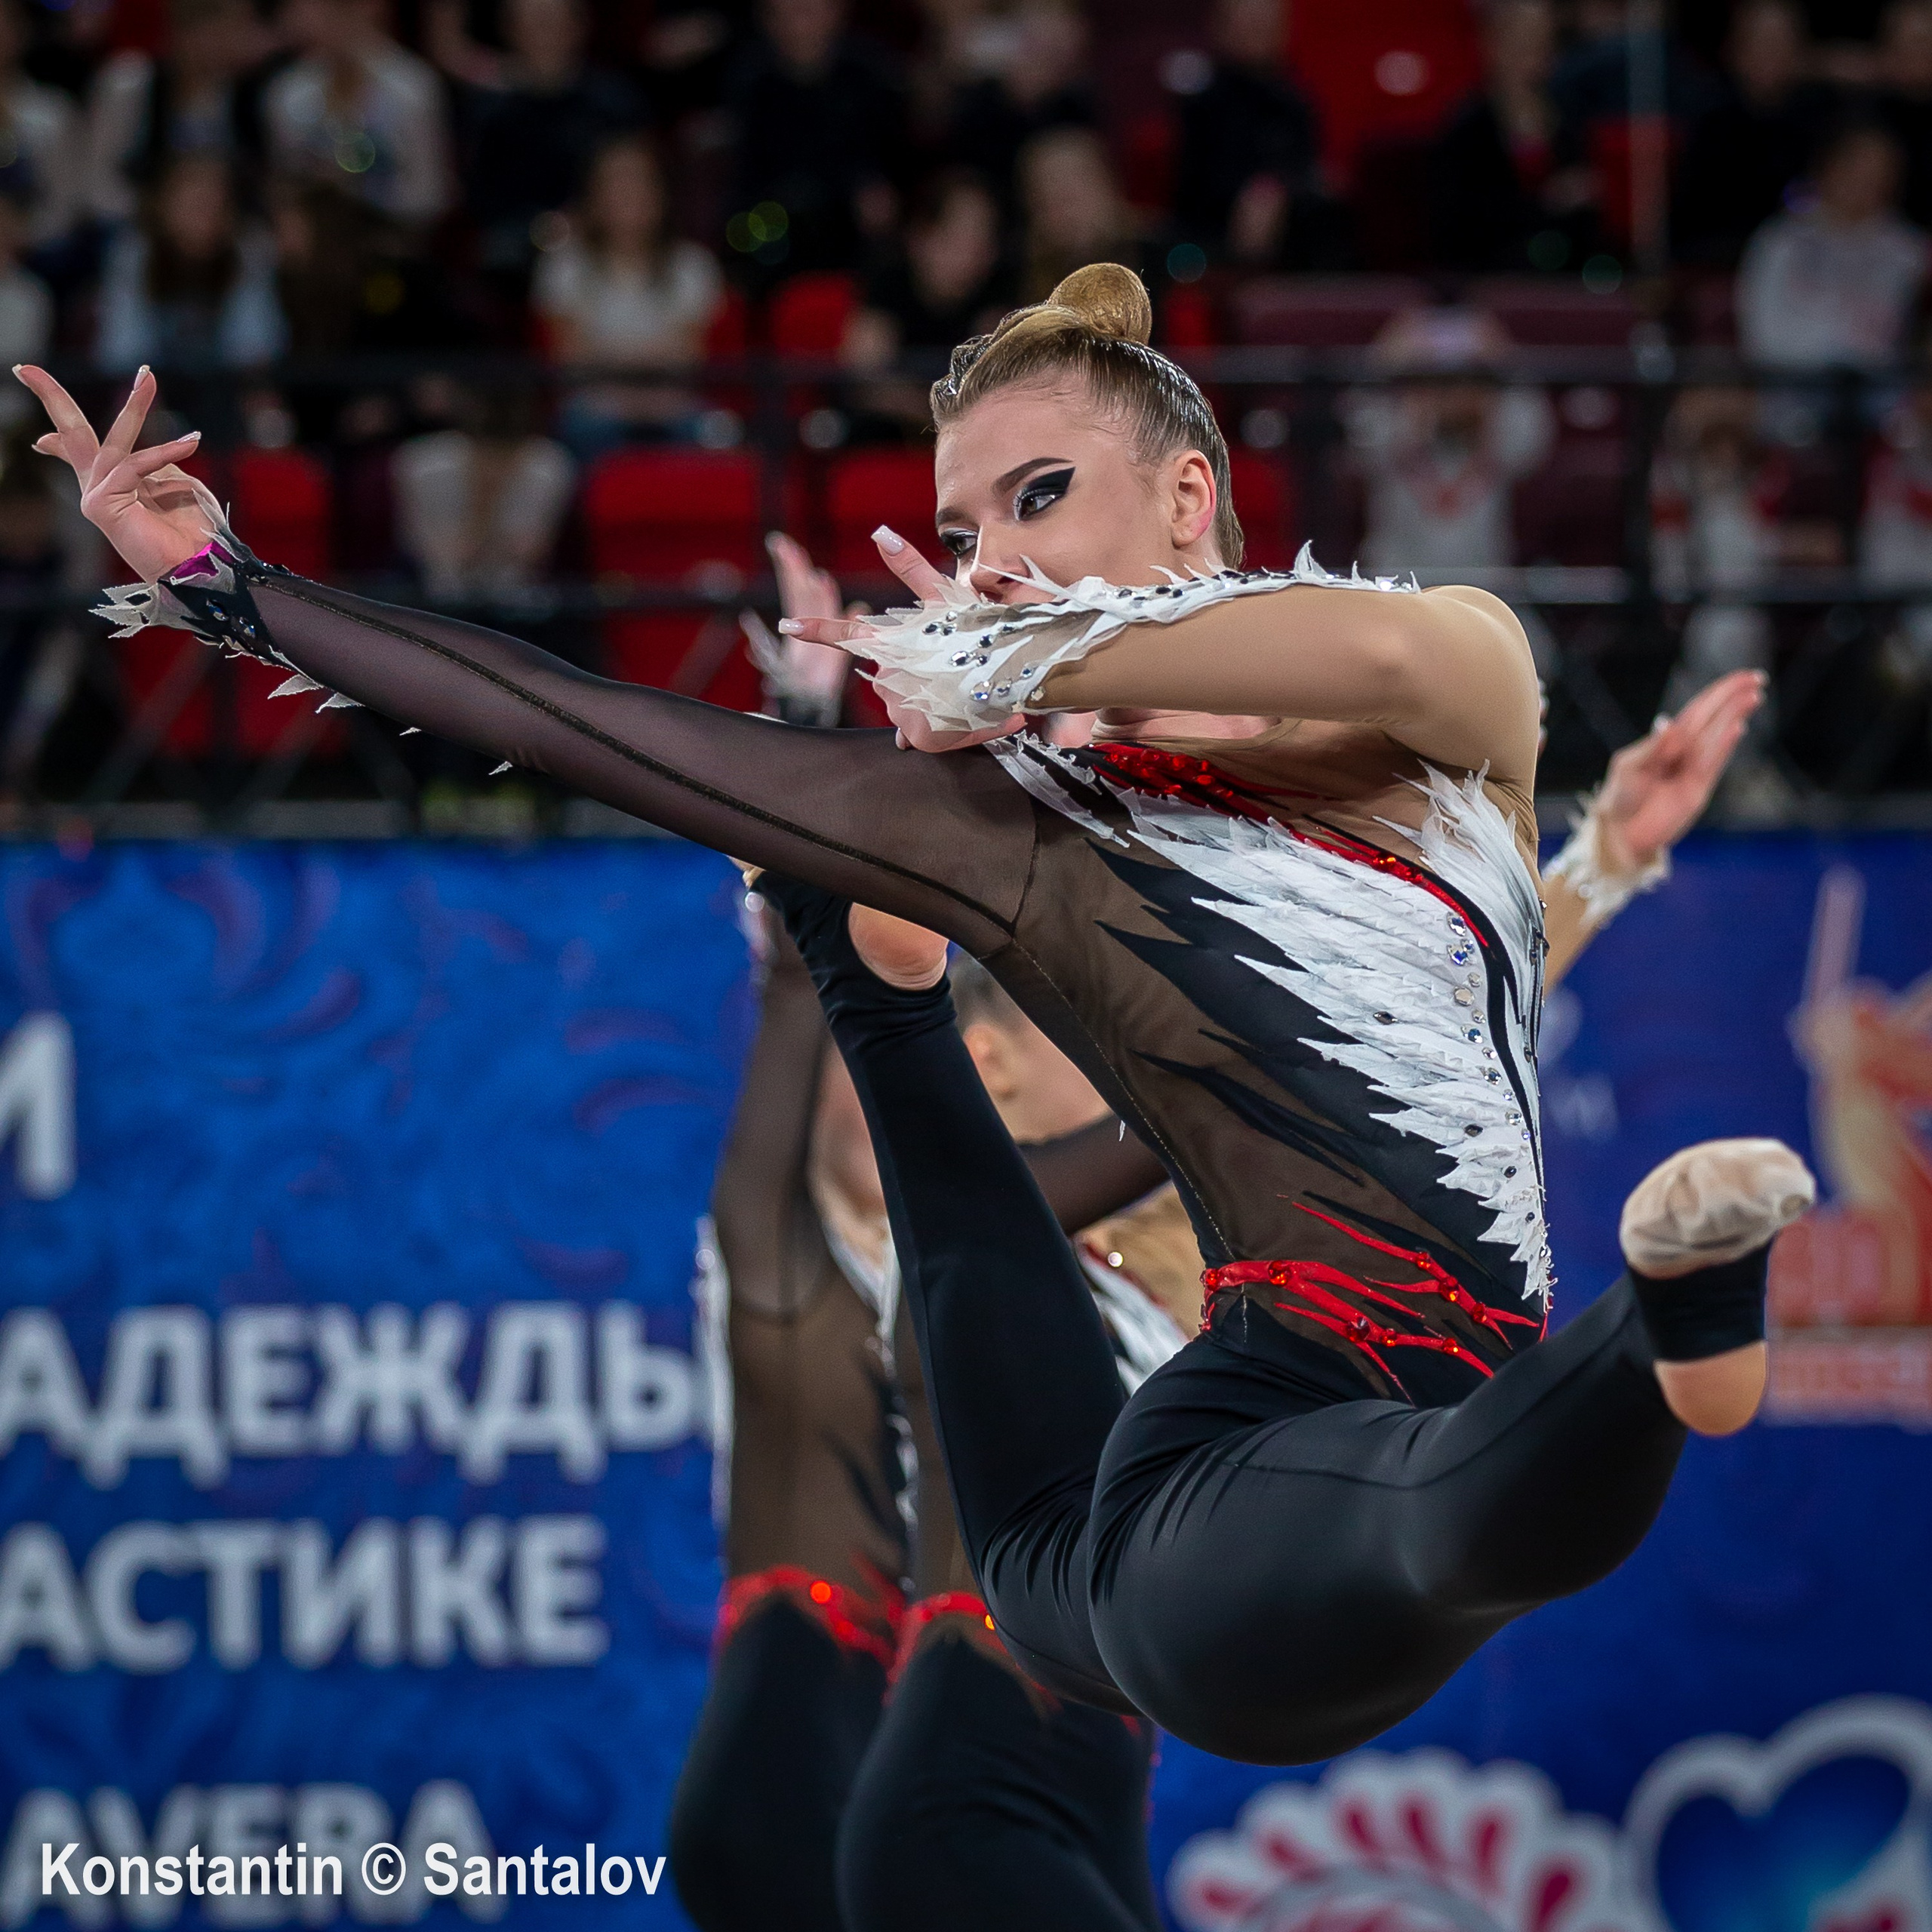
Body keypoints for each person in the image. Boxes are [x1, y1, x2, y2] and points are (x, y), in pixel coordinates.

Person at [17, 261, 1817, 1762]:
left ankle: (1639, 1352)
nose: (989, 557)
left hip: (1195, 1497)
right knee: (1404, 1499)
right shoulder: (1024, 828)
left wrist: (1017, 659)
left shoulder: (1451, 684)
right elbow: (594, 727)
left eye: (1037, 497)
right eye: (960, 530)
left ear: (1185, 495)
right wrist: (220, 583)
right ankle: (1661, 1330)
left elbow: (1371, 710)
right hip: (1244, 1491)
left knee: (1302, 1500)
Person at [532, 136, 726, 459]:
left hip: (672, 405)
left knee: (713, 432)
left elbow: (689, 356)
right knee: (582, 431)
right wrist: (643, 365)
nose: (629, 194)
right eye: (616, 184)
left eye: (640, 182)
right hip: (594, 405)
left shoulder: (693, 265)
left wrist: (611, 358)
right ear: (593, 197)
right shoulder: (564, 266)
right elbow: (570, 358)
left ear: (661, 195)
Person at [1429, 0, 1598, 275]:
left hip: (1566, 272)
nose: (1537, 63)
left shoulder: (1566, 121)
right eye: (1525, 47)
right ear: (1494, 48)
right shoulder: (1468, 130)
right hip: (1492, 276)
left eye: (1545, 49)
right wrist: (1548, 203)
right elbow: (1459, 226)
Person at [1171, 0, 1333, 273]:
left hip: (1291, 236)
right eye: (1247, 19)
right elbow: (1195, 190)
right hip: (1210, 239)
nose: (1258, 28)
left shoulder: (1295, 102)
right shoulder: (1202, 104)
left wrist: (1275, 189)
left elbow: (1307, 169)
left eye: (1266, 20)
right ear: (1221, 26)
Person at [1674, 0, 1836, 270]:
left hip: (1811, 261)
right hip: (1730, 259)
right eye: (1760, 43)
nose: (1771, 55)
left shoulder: (1825, 117)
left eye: (1782, 44)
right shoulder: (1710, 121)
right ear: (1734, 50)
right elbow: (1692, 221)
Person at [263, 0, 452, 229]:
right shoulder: (288, 94)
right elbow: (284, 190)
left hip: (392, 239)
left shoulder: (413, 89)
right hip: (316, 243)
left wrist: (364, 193)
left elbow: (428, 195)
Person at [84, 0, 269, 229]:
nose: (227, 43)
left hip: (218, 230)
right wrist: (152, 218)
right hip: (137, 224)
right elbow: (98, 179)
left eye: (233, 33)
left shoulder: (245, 97)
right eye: (215, 33)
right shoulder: (130, 83)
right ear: (181, 33)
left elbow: (255, 180)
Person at [94, 152, 287, 371]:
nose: (208, 216)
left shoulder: (248, 254)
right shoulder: (135, 255)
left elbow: (254, 353)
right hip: (154, 393)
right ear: (163, 206)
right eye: (196, 204)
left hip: (227, 393)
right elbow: (124, 354)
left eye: (217, 203)